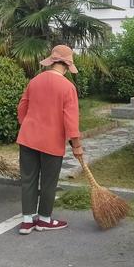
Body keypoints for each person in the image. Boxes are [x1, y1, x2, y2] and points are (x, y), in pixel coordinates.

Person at [17, 45, 83, 235]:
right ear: (67, 65)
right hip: (51, 141)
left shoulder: (35, 81)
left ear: (52, 61)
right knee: (48, 181)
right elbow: (71, 121)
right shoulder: (68, 87)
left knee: (28, 179)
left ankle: (27, 221)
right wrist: (76, 145)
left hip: (28, 137)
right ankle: (44, 219)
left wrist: (28, 125)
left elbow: (22, 108)